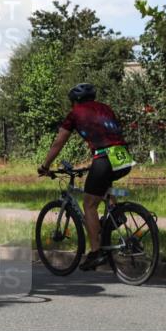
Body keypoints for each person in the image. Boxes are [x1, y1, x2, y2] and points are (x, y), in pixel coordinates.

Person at [38, 83, 135, 270]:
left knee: (89, 204)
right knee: (103, 185)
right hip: (123, 157)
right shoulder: (106, 108)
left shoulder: (75, 113)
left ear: (75, 101)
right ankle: (116, 214)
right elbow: (110, 136)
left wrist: (45, 166)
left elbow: (59, 142)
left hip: (104, 157)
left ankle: (96, 252)